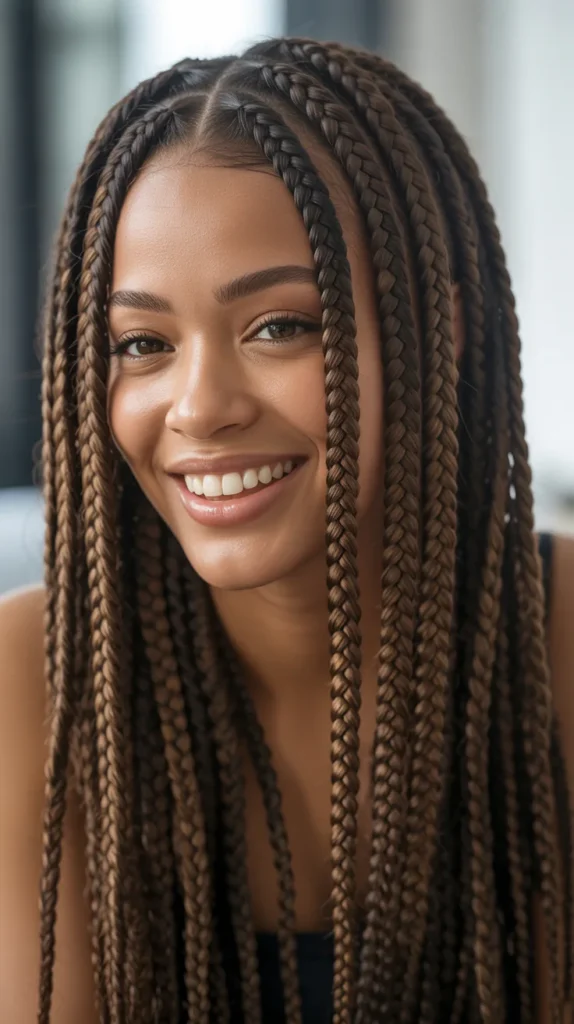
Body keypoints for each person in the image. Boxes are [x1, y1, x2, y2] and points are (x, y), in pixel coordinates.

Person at [0, 36, 571, 1024]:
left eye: (280, 326)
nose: (200, 406)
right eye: (143, 343)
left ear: (439, 328)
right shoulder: (31, 687)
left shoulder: (557, 643)